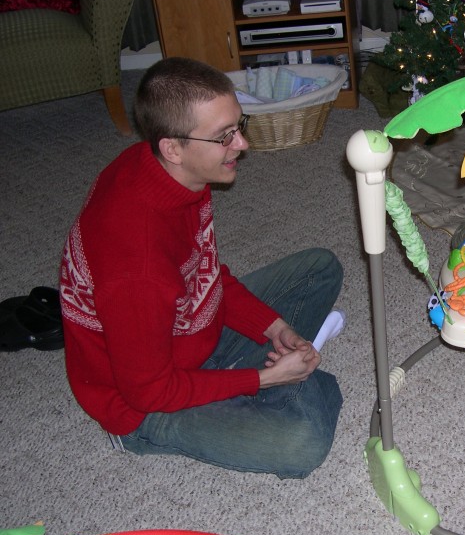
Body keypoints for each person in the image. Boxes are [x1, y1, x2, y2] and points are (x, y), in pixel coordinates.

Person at [59, 57, 345, 478]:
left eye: (238, 125)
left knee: (322, 267)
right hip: (142, 402)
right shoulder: (137, 269)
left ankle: (266, 374)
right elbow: (150, 390)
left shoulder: (171, 172)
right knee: (303, 442)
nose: (242, 144)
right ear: (172, 147)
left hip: (186, 329)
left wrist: (274, 328)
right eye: (225, 136)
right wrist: (261, 380)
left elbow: (204, 274)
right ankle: (266, 383)